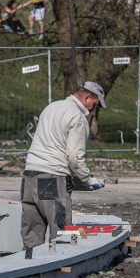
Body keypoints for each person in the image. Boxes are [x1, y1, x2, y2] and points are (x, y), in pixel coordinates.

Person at [21, 82, 107, 257]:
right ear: (87, 97)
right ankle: (56, 268)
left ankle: (28, 269)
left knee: (32, 233)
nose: (94, 109)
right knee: (61, 233)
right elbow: (74, 157)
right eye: (95, 104)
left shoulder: (51, 107)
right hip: (51, 178)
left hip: (29, 177)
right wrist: (87, 179)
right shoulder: (77, 117)